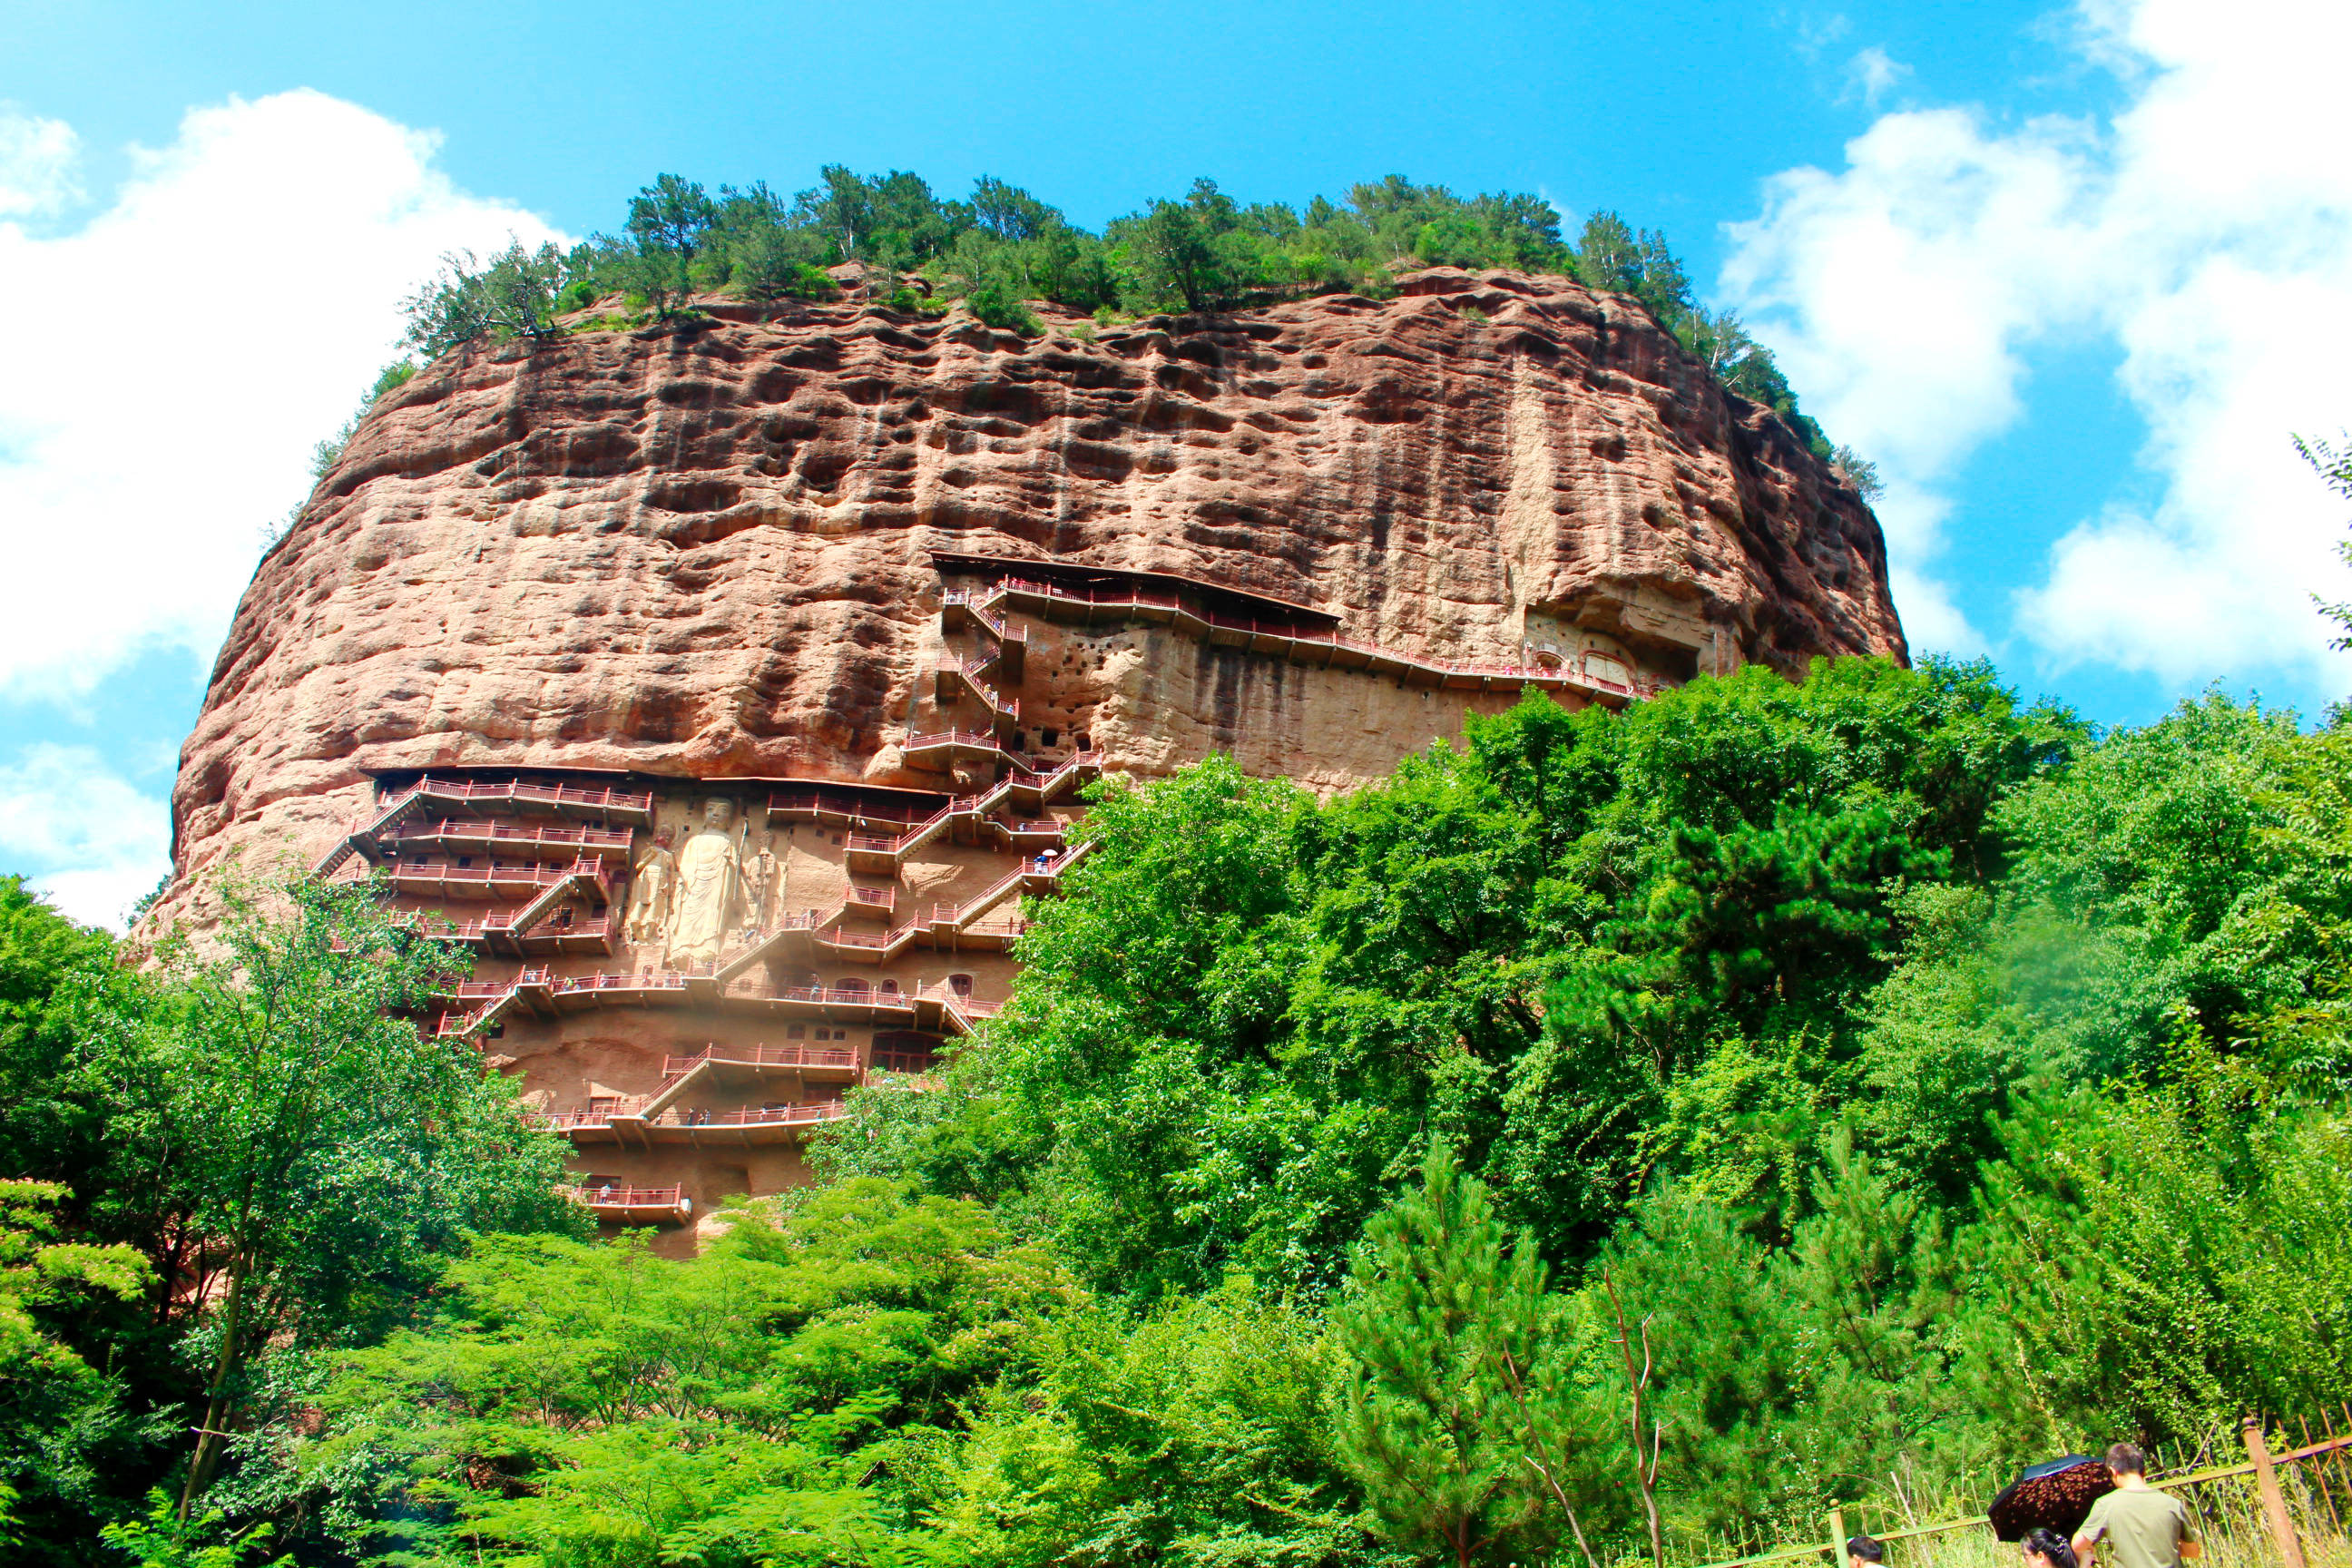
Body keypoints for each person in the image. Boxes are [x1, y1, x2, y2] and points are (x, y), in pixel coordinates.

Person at [2073, 1444, 2201, 1568]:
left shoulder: (2107, 1505)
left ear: (2113, 1471)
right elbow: (2193, 1552)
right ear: (2144, 1471)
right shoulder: (2172, 1503)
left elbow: (2078, 1545)